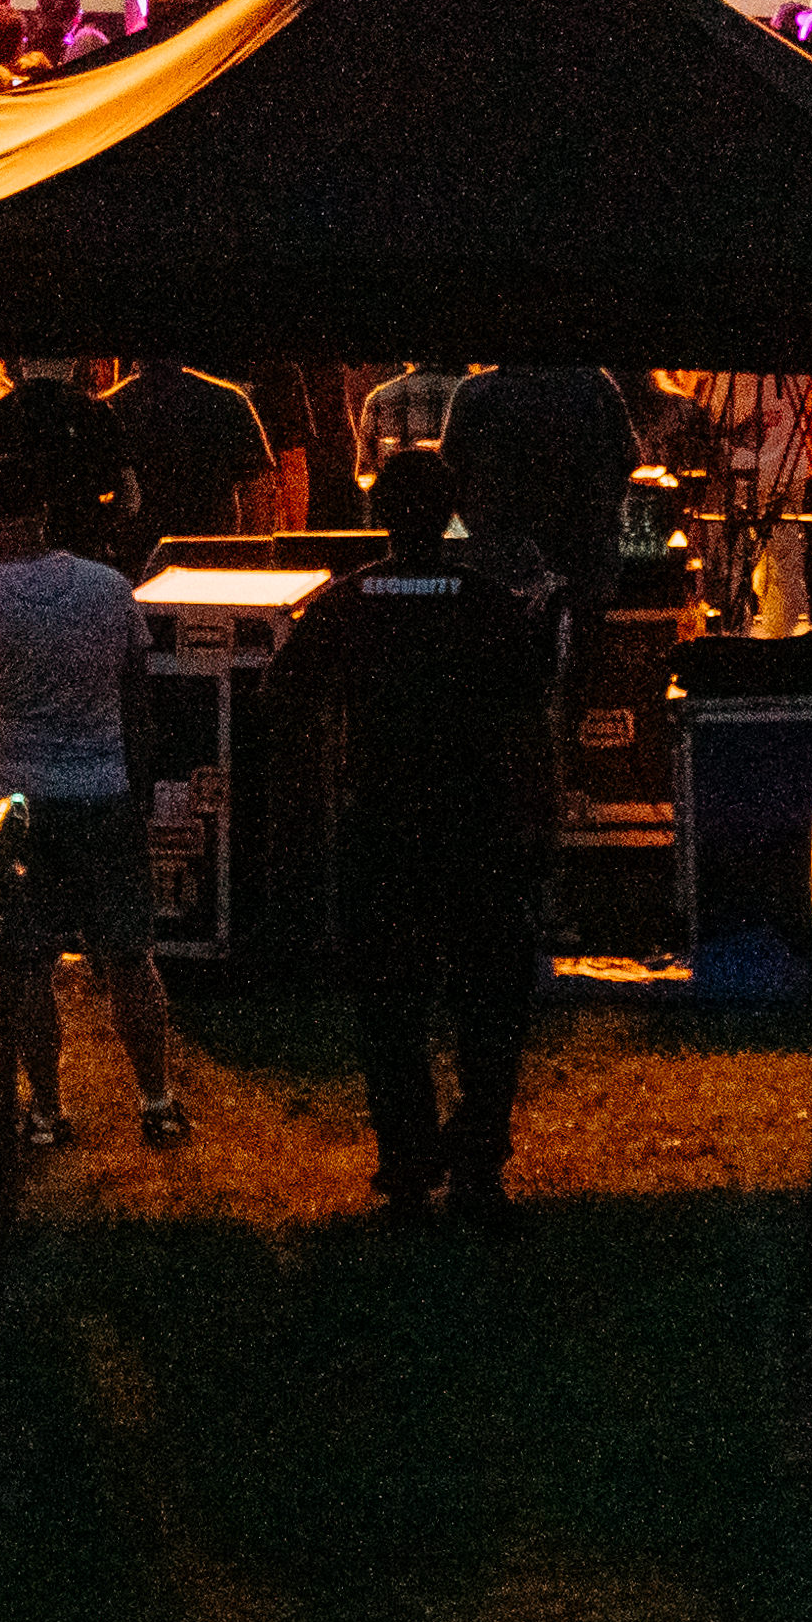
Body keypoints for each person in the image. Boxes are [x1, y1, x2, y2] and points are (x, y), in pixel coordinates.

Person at [271, 451, 562, 1222]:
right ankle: (477, 1162)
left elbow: (284, 693)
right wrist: (542, 819)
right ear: (452, 511)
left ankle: (403, 1164)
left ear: (379, 515)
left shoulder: (345, 603)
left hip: (381, 828)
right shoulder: (489, 604)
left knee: (389, 1007)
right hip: (479, 826)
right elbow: (530, 719)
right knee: (489, 1005)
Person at [0, 480, 185, 1149]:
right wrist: (138, 788)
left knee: (26, 964)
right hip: (102, 790)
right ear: (42, 515)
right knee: (129, 956)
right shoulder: (109, 590)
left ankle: (46, 1110)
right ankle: (155, 1100)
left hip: (13, 803)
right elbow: (136, 697)